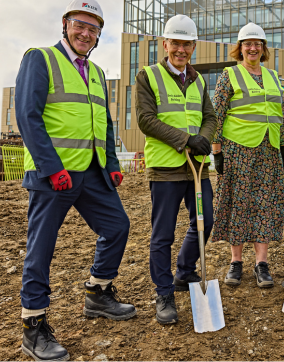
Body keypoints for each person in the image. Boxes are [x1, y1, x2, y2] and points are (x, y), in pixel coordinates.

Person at [15, 1, 135, 360]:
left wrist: (111, 162)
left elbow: (106, 123)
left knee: (117, 227)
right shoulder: (40, 58)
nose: (86, 33)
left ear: (99, 35)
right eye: (80, 25)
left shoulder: (96, 72)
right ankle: (33, 328)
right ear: (65, 24)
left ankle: (98, 293)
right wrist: (52, 168)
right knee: (42, 250)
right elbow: (27, 115)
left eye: (94, 28)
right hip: (53, 176)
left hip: (92, 172)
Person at [135, 14, 217, 324]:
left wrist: (203, 140)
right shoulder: (148, 76)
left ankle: (184, 271)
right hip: (166, 168)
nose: (181, 49)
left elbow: (209, 117)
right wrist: (186, 140)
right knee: (162, 234)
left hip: (197, 167)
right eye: (176, 43)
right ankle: (164, 292)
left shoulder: (198, 80)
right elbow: (146, 120)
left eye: (187, 44)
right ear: (165, 44)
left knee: (206, 221)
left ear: (193, 46)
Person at [211, 22, 284, 288]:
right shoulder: (229, 75)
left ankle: (261, 263)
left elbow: (282, 113)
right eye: (248, 44)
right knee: (238, 202)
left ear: (263, 48)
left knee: (264, 204)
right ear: (240, 48)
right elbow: (216, 114)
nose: (253, 48)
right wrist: (217, 150)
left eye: (258, 43)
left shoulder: (273, 76)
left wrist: (283, 146)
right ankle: (236, 262)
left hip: (268, 151)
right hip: (237, 150)